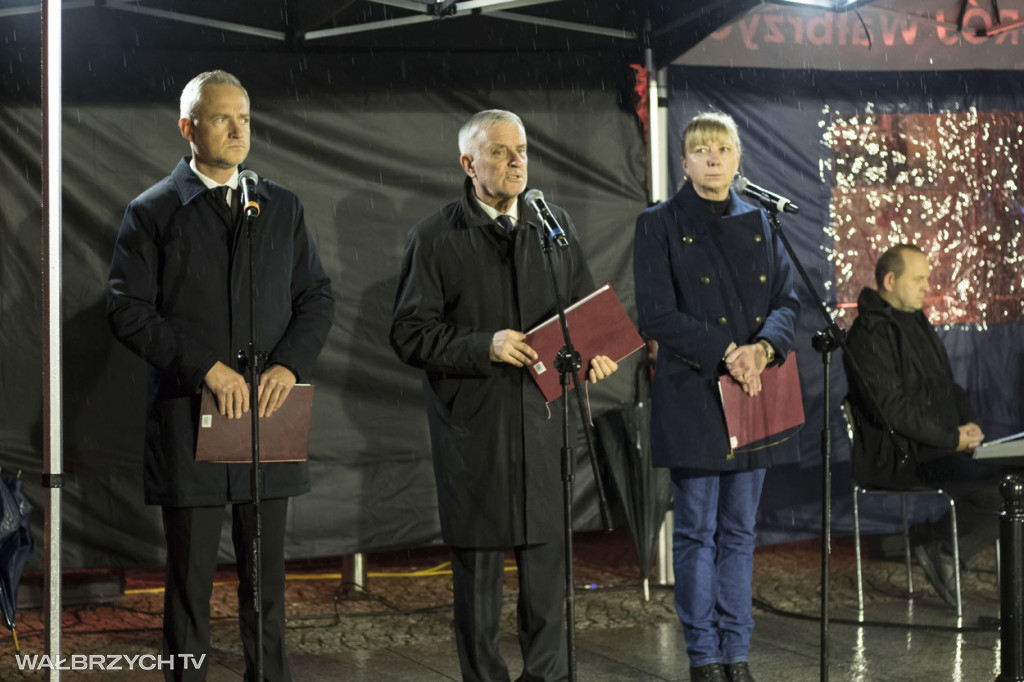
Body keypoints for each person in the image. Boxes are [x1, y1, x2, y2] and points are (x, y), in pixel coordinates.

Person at [107, 70, 334, 681]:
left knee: (267, 588)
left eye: (246, 118)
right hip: (191, 425)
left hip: (267, 421)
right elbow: (126, 309)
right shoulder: (153, 211)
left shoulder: (280, 205)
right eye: (221, 118)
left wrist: (289, 363)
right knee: (189, 588)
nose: (238, 131)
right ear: (188, 128)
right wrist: (205, 367)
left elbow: (316, 297)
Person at [390, 109, 617, 682]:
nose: (516, 161)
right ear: (468, 165)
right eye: (499, 151)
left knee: (546, 586)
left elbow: (585, 314)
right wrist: (482, 345)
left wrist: (594, 355)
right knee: (479, 589)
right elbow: (409, 333)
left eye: (521, 150)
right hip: (477, 433)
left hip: (544, 430)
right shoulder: (436, 236)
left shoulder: (552, 225)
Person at [633, 111, 800, 682]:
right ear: (684, 162)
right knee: (697, 530)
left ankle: (738, 652)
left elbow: (787, 302)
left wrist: (764, 351)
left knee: (740, 532)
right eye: (701, 150)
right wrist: (728, 350)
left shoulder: (763, 220)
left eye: (722, 149)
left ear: (737, 159)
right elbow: (656, 312)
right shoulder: (657, 223)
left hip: (751, 389)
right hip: (693, 391)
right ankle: (703, 656)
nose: (712, 158)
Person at [842, 243, 1001, 607]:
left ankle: (932, 542)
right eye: (919, 279)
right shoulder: (869, 334)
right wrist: (950, 438)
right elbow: (891, 410)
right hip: (901, 455)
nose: (927, 286)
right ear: (890, 279)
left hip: (937, 446)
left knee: (1013, 483)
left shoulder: (917, 321)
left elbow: (948, 386)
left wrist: (968, 424)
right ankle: (941, 548)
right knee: (1001, 494)